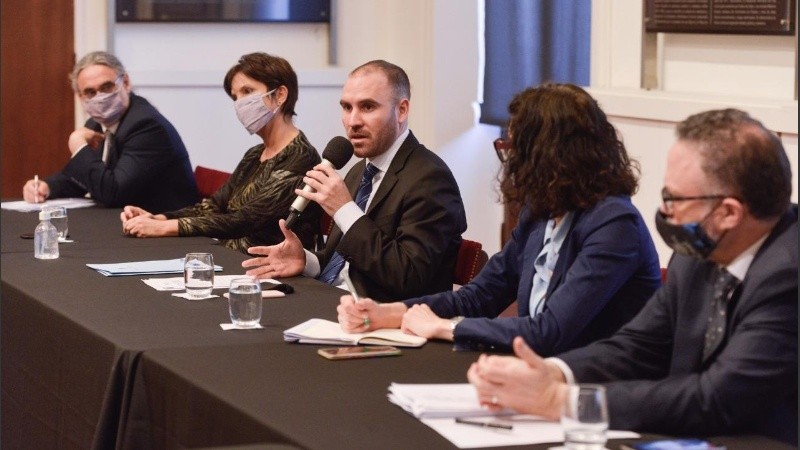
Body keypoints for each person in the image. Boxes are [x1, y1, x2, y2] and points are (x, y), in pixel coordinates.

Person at [467, 108, 797, 444]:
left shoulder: (788, 275)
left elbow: (718, 398)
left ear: (728, 213)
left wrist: (560, 400)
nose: (664, 211)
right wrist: (554, 372)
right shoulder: (699, 252)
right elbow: (639, 346)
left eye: (674, 198)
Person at [336, 83, 662, 354]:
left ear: (557, 156)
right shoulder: (541, 212)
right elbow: (481, 295)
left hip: (596, 388)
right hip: (534, 369)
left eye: (518, 148)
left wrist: (447, 327)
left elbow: (551, 329)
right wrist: (391, 313)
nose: (512, 160)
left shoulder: (615, 224)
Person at [242, 60, 467, 300]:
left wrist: (344, 209)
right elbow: (343, 261)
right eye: (347, 108)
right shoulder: (359, 170)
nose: (353, 122)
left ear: (401, 110)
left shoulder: (430, 178)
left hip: (381, 321)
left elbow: (408, 276)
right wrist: (306, 261)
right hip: (330, 300)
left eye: (368, 107)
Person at [119, 52, 321, 252]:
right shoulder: (255, 153)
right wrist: (158, 218)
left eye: (247, 91)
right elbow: (213, 206)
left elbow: (244, 220)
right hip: (230, 257)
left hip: (267, 269)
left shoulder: (301, 157)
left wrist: (164, 228)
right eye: (235, 96)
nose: (239, 103)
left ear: (280, 95)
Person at [22, 51, 198, 212]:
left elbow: (113, 193)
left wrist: (79, 146)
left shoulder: (146, 125)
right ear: (80, 97)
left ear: (126, 82)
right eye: (90, 92)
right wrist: (46, 186)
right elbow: (88, 178)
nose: (100, 97)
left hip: (165, 228)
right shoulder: (96, 123)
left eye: (107, 87)